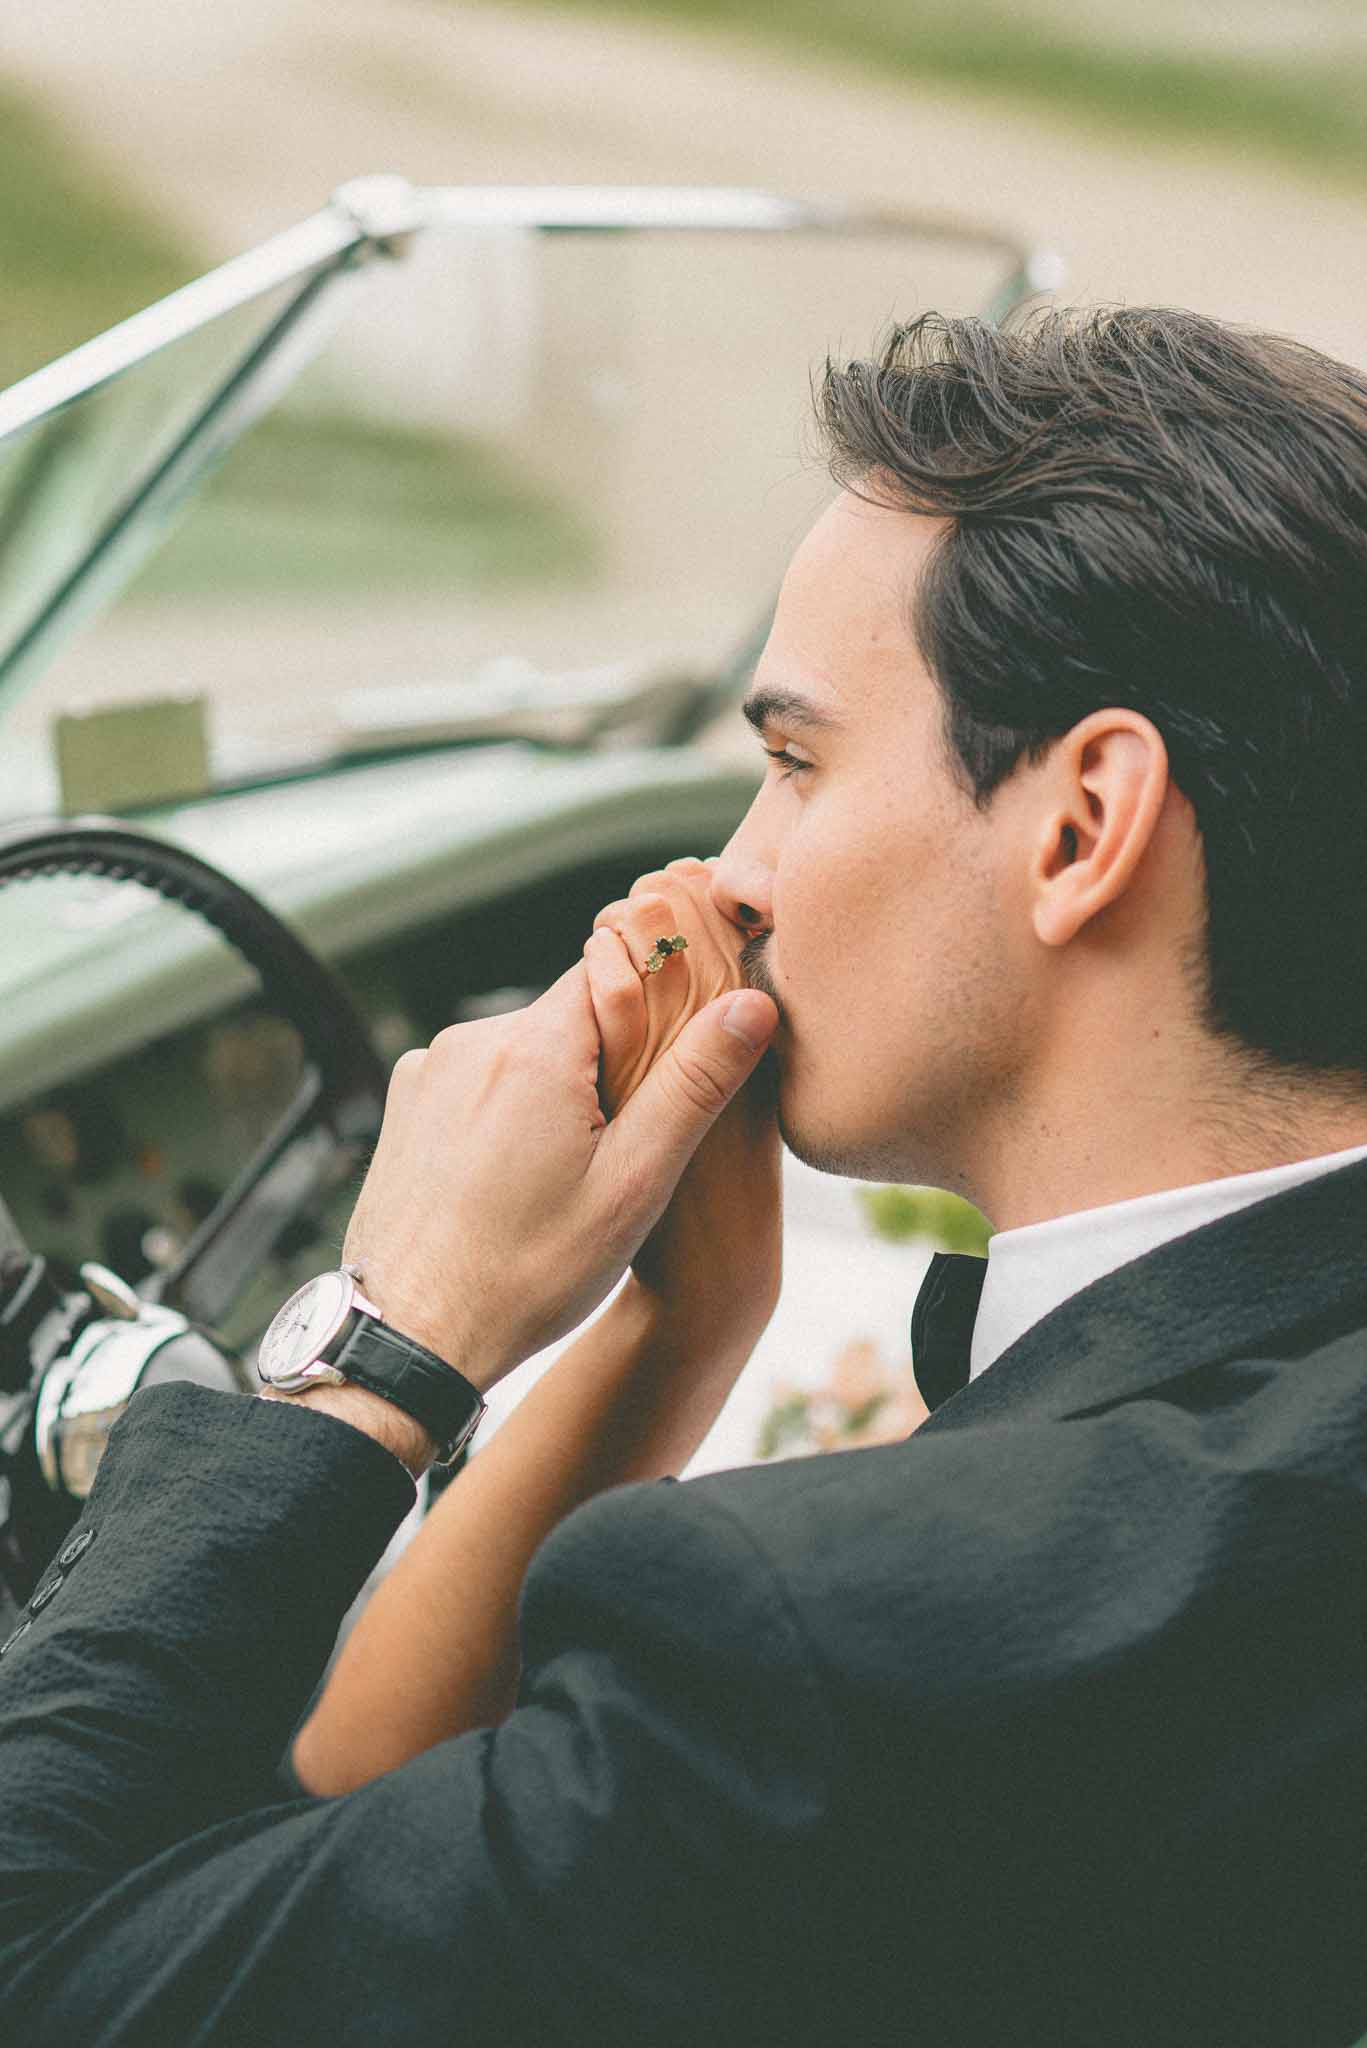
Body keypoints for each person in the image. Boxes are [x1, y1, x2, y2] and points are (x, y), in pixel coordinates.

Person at [2, 303, 1366, 2047]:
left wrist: (383, 1346)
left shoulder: (820, 1648)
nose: (732, 874)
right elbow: (378, 1840)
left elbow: (51, 1978)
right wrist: (687, 1322)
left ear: (1086, 823)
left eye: (794, 764)